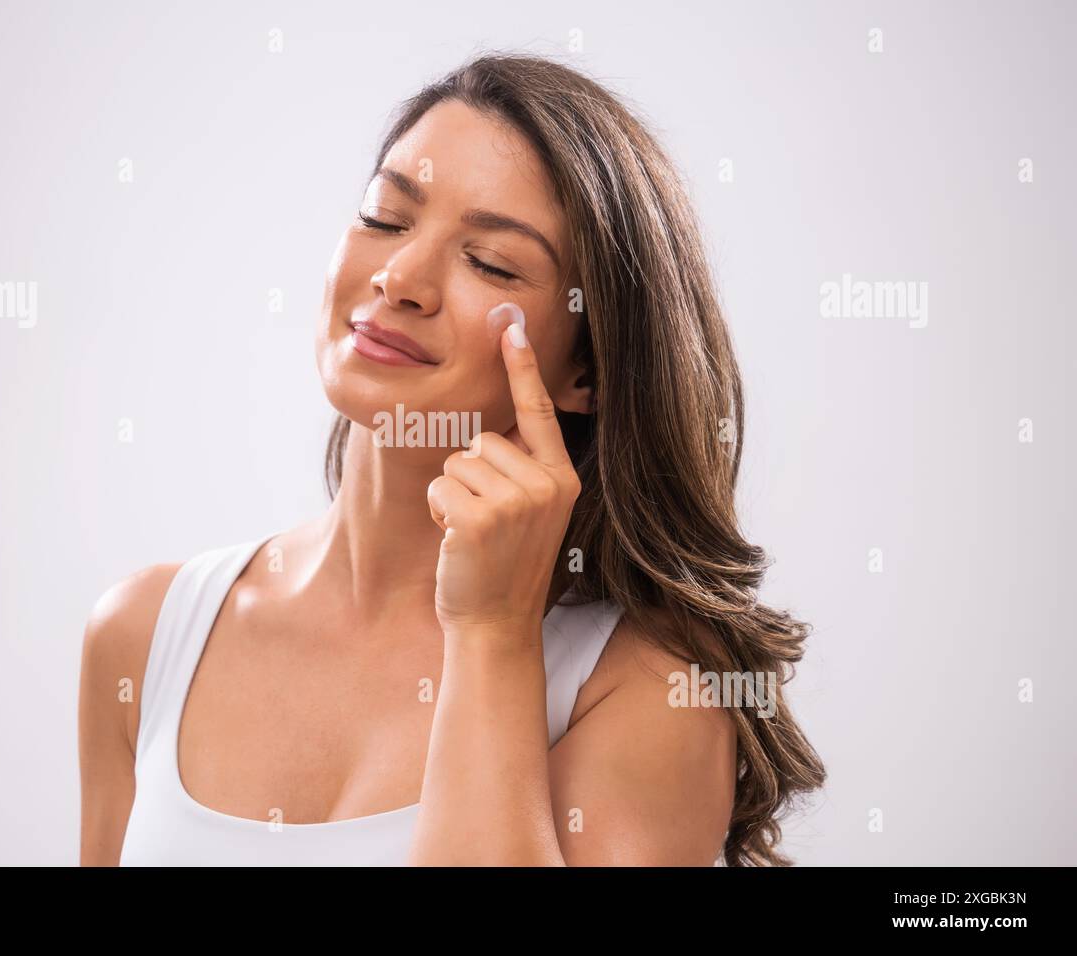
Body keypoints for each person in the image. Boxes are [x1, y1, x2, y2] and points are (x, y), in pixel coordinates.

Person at [78, 51, 826, 867]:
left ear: (589, 371)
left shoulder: (646, 690)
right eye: (385, 217)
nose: (400, 278)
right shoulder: (146, 635)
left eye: (491, 263)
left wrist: (493, 637)